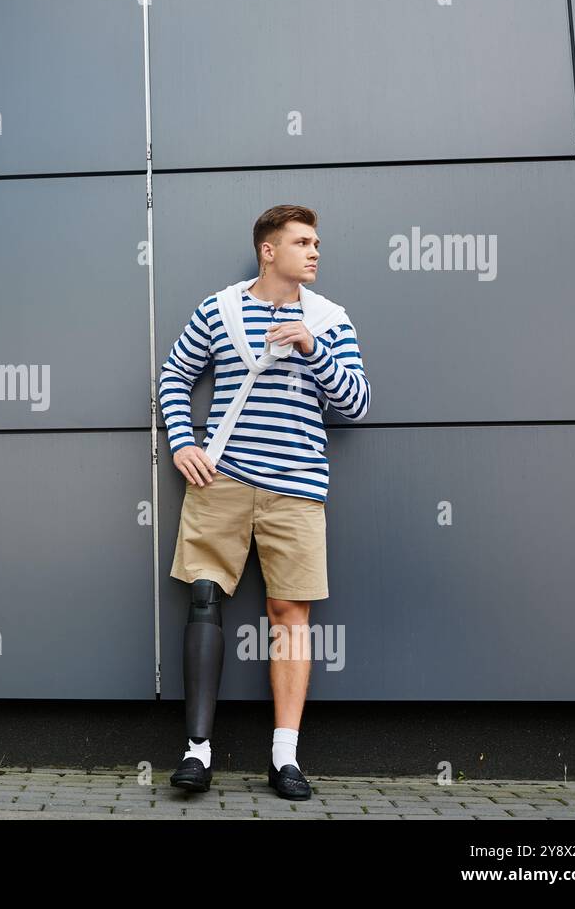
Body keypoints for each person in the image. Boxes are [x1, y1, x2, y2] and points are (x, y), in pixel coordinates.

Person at [160, 204, 371, 800]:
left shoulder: (329, 320)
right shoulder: (220, 308)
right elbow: (174, 374)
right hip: (219, 479)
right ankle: (196, 752)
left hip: (298, 487)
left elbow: (357, 405)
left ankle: (284, 757)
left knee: (290, 616)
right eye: (302, 242)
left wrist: (312, 348)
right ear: (268, 251)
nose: (315, 252)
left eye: (318, 242)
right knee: (203, 598)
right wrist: (182, 443)